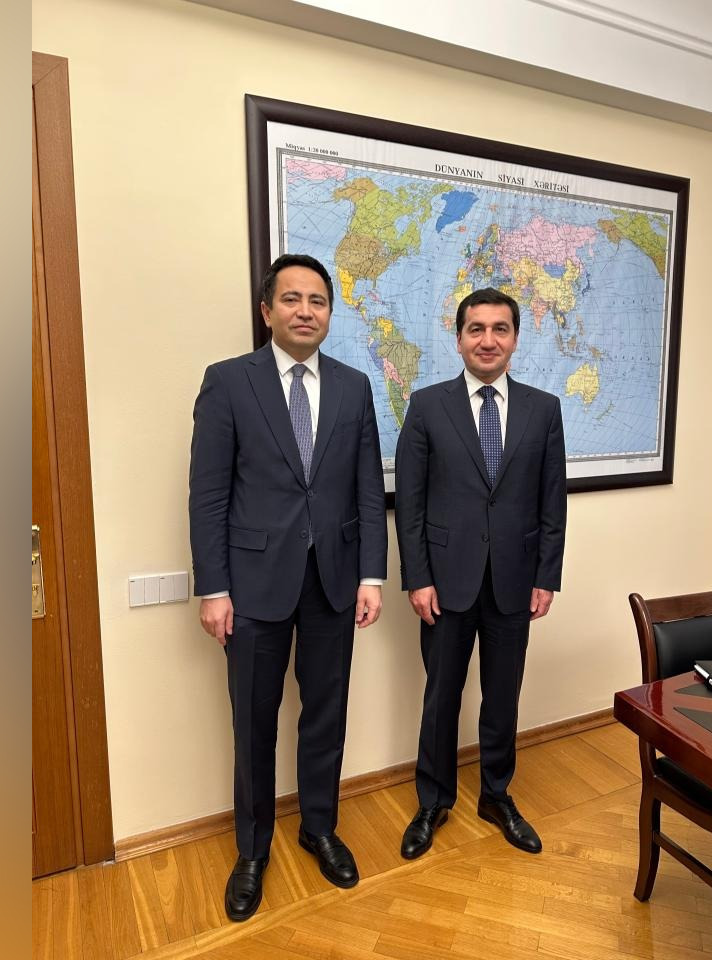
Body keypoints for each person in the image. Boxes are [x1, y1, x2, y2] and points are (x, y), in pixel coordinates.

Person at [189, 253, 387, 922]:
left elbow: (367, 489)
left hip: (333, 581)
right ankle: (252, 850)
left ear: (330, 313)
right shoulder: (228, 382)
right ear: (267, 310)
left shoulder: (355, 387)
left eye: (318, 300)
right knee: (253, 721)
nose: (306, 310)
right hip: (252, 586)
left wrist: (370, 574)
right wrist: (214, 588)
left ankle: (319, 827)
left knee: (326, 712)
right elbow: (208, 495)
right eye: (292, 299)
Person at [393, 287, 567, 860]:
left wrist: (546, 575)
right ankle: (433, 801)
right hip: (445, 584)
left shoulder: (544, 409)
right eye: (476, 329)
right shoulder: (427, 406)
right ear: (459, 338)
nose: (487, 340)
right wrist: (418, 578)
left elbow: (552, 501)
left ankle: (496, 794)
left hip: (515, 580)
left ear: (515, 338)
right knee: (441, 696)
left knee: (502, 697)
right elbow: (410, 504)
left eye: (499, 329)